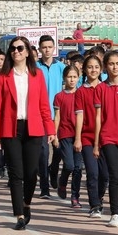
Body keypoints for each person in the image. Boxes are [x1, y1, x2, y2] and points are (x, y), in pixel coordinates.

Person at [0, 36, 56, 230]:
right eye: (13, 49)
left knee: (31, 173)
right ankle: (19, 214)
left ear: (28, 51)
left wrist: (50, 129)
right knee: (16, 174)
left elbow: (44, 105)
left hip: (34, 129)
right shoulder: (3, 76)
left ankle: (27, 203)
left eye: (20, 48)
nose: (16, 52)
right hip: (11, 130)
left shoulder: (37, 75)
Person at [95, 51, 118, 227]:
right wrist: (96, 143)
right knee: (115, 176)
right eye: (111, 64)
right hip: (108, 137)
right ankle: (114, 212)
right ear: (105, 66)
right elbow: (98, 117)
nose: (114, 67)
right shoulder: (101, 89)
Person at [74, 54, 108, 219]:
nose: (93, 70)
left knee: (105, 175)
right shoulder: (81, 92)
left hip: (106, 137)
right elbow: (79, 116)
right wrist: (78, 137)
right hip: (87, 137)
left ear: (101, 69)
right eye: (89, 67)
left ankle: (99, 197)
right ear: (84, 70)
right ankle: (94, 204)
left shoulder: (106, 88)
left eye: (96, 67)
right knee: (92, 172)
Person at [37, 35, 66, 198]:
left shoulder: (61, 67)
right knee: (43, 152)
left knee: (59, 150)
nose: (47, 50)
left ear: (54, 48)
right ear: (40, 49)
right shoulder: (34, 68)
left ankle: (53, 170)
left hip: (59, 115)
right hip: (41, 116)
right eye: (44, 47)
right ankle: (44, 188)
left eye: (50, 47)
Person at [52, 66, 83, 208]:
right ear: (64, 78)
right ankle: (62, 181)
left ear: (78, 77)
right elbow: (57, 117)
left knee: (78, 168)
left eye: (74, 77)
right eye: (69, 77)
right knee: (69, 165)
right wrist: (55, 135)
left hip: (80, 135)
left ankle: (75, 196)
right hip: (65, 134)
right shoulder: (59, 96)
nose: (72, 80)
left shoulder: (81, 94)